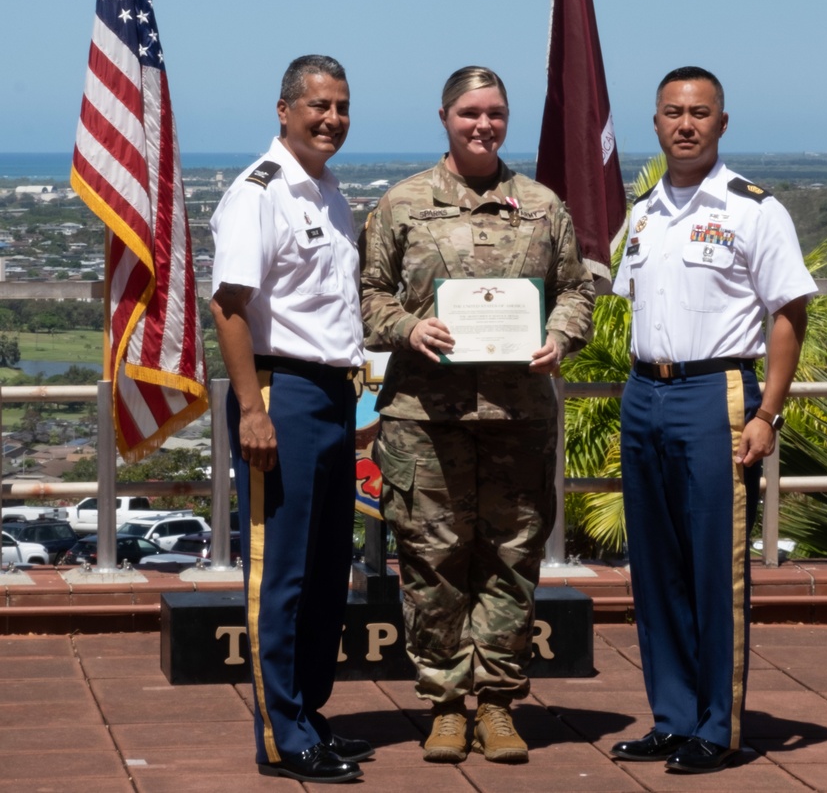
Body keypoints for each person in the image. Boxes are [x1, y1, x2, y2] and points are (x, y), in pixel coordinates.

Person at [360, 65, 594, 765]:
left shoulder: (544, 205)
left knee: (511, 561)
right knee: (431, 564)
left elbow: (576, 289)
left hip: (517, 417)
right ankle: (443, 704)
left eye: (495, 112)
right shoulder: (401, 205)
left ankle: (496, 703)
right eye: (469, 113)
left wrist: (562, 336)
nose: (483, 124)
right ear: (444, 118)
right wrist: (408, 329)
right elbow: (369, 296)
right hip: (424, 419)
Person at [610, 66, 816, 774]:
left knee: (714, 567)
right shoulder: (642, 214)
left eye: (700, 113)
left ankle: (717, 726)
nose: (686, 125)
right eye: (673, 112)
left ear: (722, 124)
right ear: (657, 122)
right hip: (643, 394)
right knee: (655, 564)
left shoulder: (755, 209)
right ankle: (671, 717)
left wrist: (768, 411)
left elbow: (789, 312)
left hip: (715, 395)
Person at [210, 54, 372, 784]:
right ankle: (282, 735)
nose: (331, 119)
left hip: (333, 395)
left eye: (341, 106)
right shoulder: (259, 194)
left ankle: (310, 713)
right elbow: (230, 308)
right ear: (283, 110)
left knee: (328, 568)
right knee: (282, 573)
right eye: (318, 106)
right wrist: (251, 409)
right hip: (281, 396)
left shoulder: (331, 194)